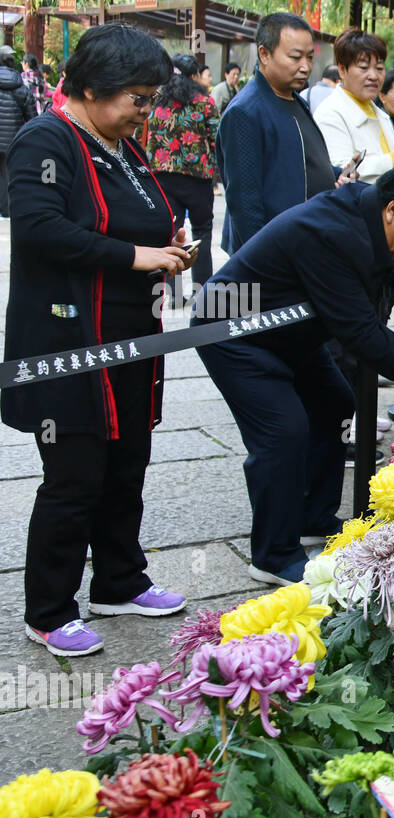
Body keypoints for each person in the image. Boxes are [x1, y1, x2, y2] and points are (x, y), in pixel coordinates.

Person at [192, 160, 394, 585]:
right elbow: (362, 335)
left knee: (335, 403)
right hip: (234, 331)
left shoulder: (383, 225)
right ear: (393, 210)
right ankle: (274, 555)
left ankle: (313, 517)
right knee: (283, 431)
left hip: (290, 332)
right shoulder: (329, 231)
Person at [3, 23, 195, 657]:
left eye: (149, 99)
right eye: (137, 99)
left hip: (130, 334)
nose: (145, 114)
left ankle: (119, 579)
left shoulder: (118, 144)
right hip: (68, 337)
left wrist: (165, 253)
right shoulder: (45, 140)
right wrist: (137, 256)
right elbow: (36, 230)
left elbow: (142, 220)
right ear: (90, 88)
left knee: (127, 463)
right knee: (74, 476)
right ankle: (50, 610)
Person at [216, 12, 351, 255]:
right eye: (295, 57)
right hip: (274, 252)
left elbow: (298, 161)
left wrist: (336, 174)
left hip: (305, 239)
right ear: (264, 54)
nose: (306, 67)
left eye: (309, 57)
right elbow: (245, 202)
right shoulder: (245, 112)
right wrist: (261, 260)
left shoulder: (296, 100)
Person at [145, 53, 218, 306]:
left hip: (162, 178)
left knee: (173, 236)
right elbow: (215, 139)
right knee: (202, 234)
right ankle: (204, 295)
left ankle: (174, 296)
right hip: (197, 179)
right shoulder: (204, 103)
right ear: (194, 76)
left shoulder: (157, 102)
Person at [314, 29, 394, 184]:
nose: (373, 76)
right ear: (342, 70)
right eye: (364, 67)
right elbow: (342, 173)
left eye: (379, 68)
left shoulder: (376, 111)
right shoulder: (330, 113)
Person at [0, 45, 36, 217]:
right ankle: (7, 210)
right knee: (8, 174)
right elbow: (32, 117)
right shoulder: (21, 88)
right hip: (12, 139)